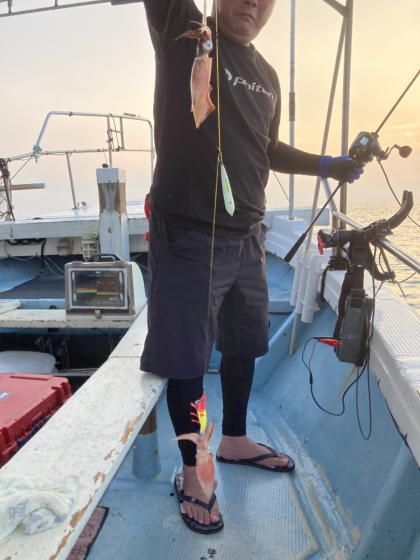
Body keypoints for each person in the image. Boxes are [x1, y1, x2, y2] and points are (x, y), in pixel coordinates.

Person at [140, 0, 363, 534]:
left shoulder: (265, 73)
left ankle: (235, 439)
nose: (253, 3)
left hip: (248, 237)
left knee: (244, 343)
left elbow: (267, 147)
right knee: (187, 358)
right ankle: (195, 472)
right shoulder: (187, 32)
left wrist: (325, 165)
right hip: (190, 233)